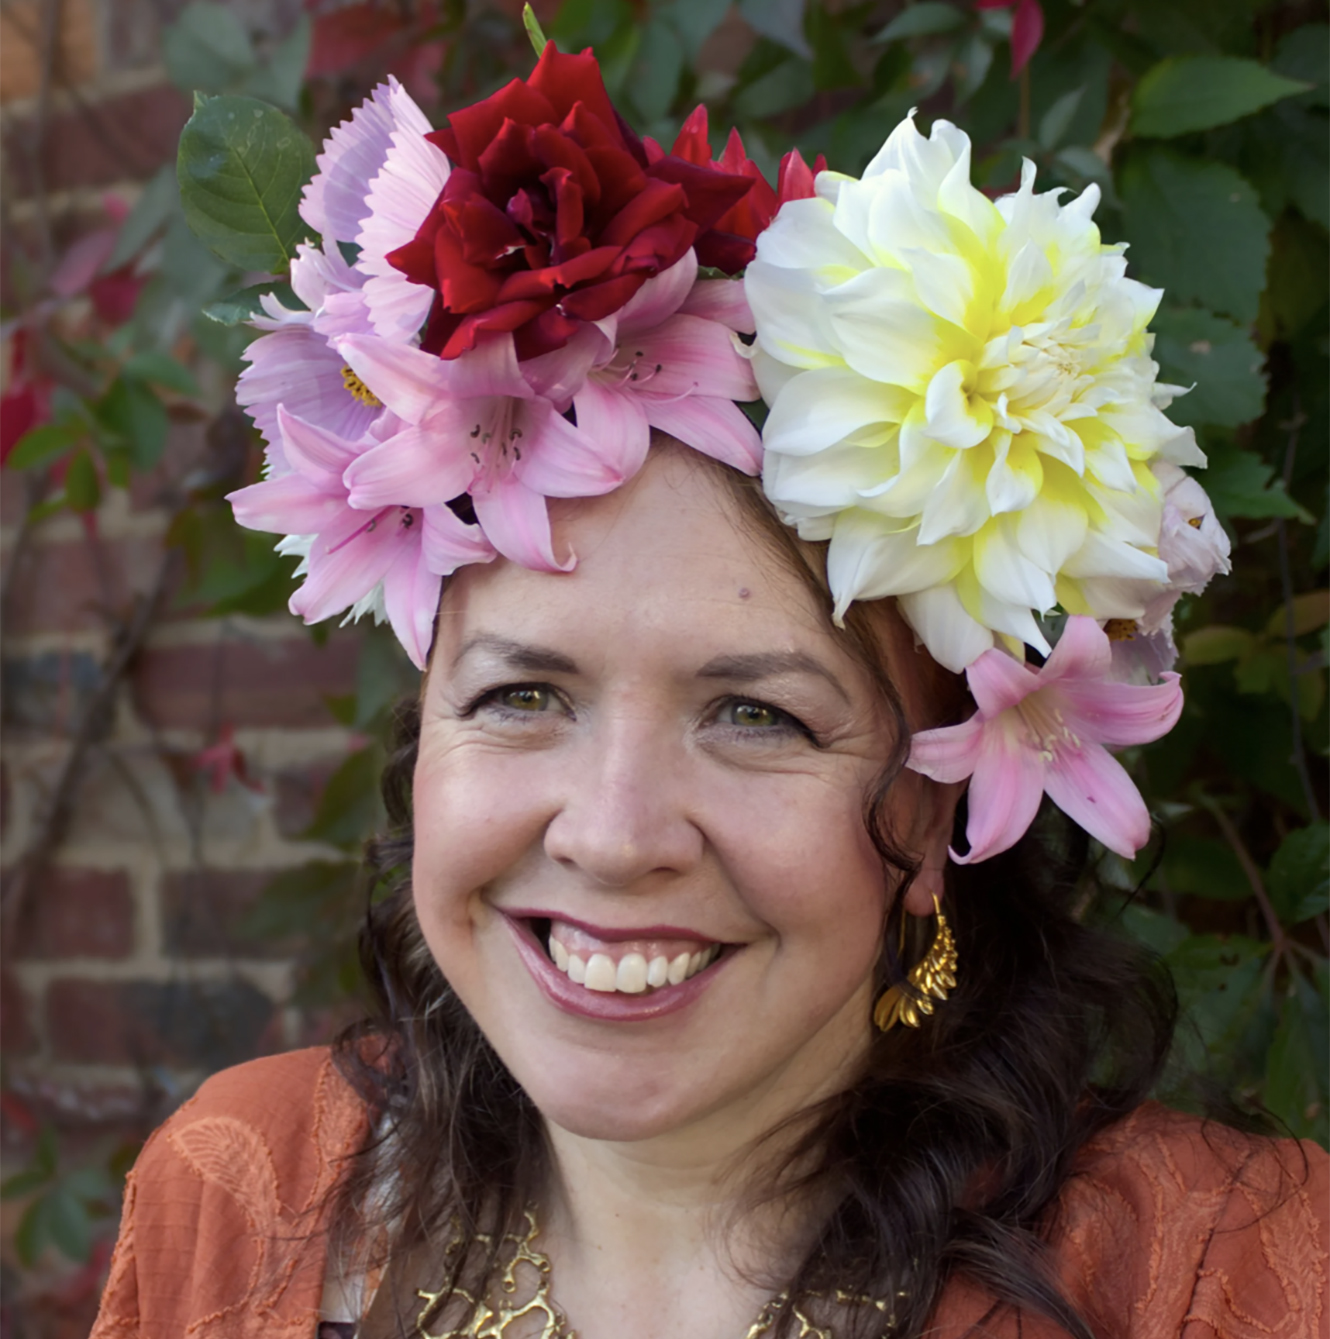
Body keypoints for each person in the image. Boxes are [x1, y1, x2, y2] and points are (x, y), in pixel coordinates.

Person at [91, 40, 1326, 1339]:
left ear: (931, 820)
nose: (613, 836)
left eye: (756, 716)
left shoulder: (1222, 1279)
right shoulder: (236, 1205)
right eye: (523, 697)